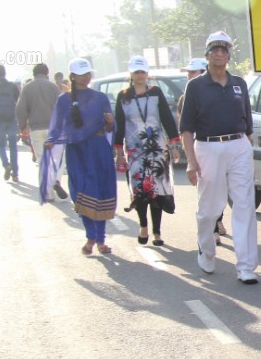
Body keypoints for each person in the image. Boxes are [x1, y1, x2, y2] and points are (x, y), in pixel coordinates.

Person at [179, 32, 258, 283]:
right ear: (207, 54)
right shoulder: (195, 86)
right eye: (215, 49)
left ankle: (246, 267)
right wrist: (191, 161)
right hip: (208, 147)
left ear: (229, 54)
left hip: (238, 145)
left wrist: (247, 147)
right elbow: (186, 129)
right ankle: (207, 249)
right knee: (210, 209)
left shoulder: (239, 84)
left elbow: (248, 124)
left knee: (244, 205)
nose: (220, 53)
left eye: (224, 49)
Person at [44, 58, 117, 254]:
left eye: (88, 74)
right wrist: (50, 140)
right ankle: (90, 235)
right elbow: (57, 126)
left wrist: (110, 122)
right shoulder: (63, 100)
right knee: (81, 194)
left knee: (101, 193)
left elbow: (111, 126)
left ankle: (100, 240)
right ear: (73, 76)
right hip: (77, 152)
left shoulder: (100, 97)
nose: (86, 77)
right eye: (81, 74)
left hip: (99, 150)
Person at [114, 56, 181, 246]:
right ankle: (143, 225)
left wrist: (175, 145)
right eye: (136, 72)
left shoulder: (156, 92)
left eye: (142, 72)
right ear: (131, 74)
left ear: (147, 73)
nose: (140, 75)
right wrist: (118, 152)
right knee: (140, 190)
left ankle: (157, 231)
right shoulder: (123, 96)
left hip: (157, 148)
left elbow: (167, 119)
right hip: (135, 151)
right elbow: (119, 125)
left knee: (157, 189)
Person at [178, 57, 227, 239]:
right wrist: (190, 158)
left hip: (222, 148)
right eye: (189, 72)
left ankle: (217, 220)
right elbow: (184, 126)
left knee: (221, 187)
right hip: (203, 147)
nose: (189, 75)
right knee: (208, 192)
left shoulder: (221, 89)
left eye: (193, 72)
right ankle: (210, 230)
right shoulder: (188, 94)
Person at [17, 63, 67, 200]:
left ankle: (49, 193)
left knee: (42, 160)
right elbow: (62, 107)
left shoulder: (27, 88)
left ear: (34, 74)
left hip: (36, 129)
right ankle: (56, 179)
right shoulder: (53, 87)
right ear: (47, 73)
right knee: (57, 158)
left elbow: (20, 109)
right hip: (54, 129)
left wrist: (23, 126)